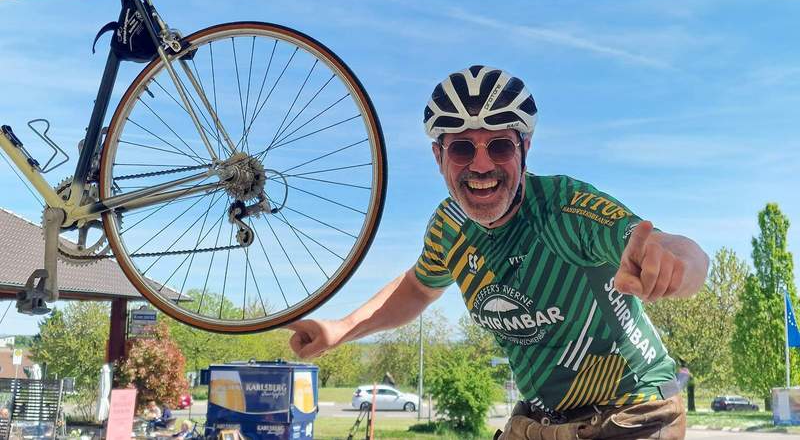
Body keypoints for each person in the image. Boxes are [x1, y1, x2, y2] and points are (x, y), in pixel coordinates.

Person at [287, 65, 709, 440]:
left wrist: (675, 264)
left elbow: (668, 245)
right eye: (463, 148)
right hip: (542, 418)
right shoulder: (448, 229)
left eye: (501, 146)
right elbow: (417, 288)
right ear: (439, 156)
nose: (482, 165)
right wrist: (340, 329)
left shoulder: (566, 209)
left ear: (525, 150)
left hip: (633, 409)